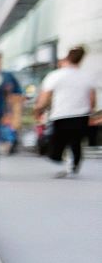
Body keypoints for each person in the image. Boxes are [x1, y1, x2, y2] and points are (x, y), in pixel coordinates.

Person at [36, 46, 96, 177]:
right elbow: (92, 99)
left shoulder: (55, 75)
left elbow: (45, 97)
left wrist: (39, 109)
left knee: (58, 141)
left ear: (66, 58)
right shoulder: (87, 76)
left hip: (61, 115)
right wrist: (91, 113)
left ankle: (60, 160)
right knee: (76, 142)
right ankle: (72, 167)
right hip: (82, 115)